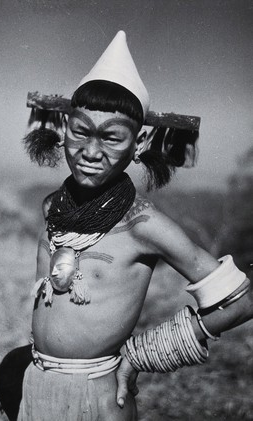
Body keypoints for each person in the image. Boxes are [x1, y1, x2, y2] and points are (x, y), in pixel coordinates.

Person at [18, 31, 253, 420]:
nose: (92, 153)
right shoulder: (53, 206)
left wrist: (143, 355)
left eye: (112, 138)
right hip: (36, 385)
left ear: (140, 142)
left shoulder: (142, 224)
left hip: (99, 396)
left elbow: (240, 302)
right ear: (63, 128)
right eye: (80, 132)